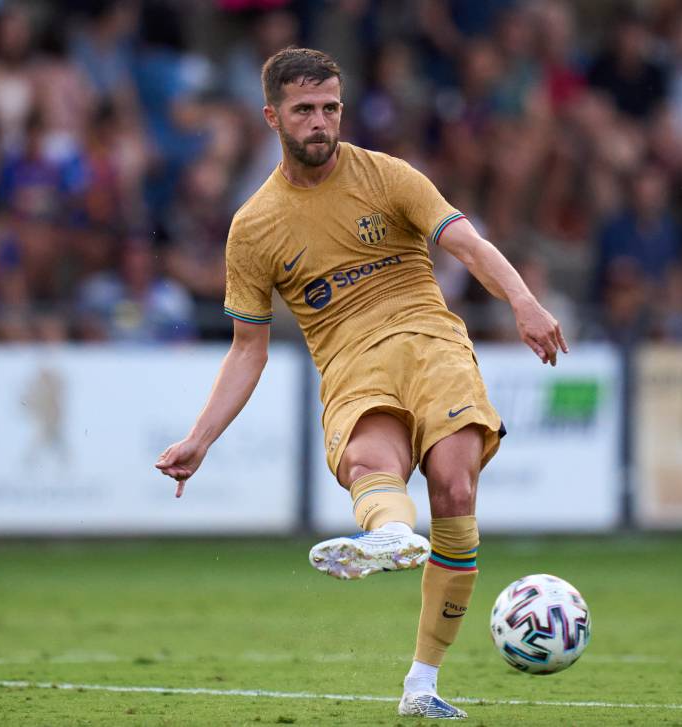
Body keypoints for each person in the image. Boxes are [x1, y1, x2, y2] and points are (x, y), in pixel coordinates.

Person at [154, 48, 565, 720]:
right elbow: (246, 351)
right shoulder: (253, 227)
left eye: (330, 108)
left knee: (455, 484)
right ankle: (388, 537)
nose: (320, 122)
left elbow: (467, 243)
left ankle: (421, 683)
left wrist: (522, 301)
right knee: (370, 464)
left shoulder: (389, 176)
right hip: (348, 362)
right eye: (305, 111)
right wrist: (201, 438)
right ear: (272, 117)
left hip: (431, 340)